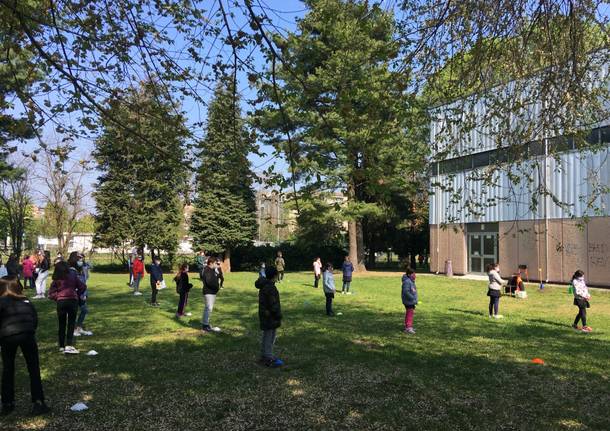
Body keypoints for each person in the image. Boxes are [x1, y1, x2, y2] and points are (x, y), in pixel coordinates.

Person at [0, 277, 49, 416]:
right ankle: (39, 401)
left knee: (8, 369)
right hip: (27, 334)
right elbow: (34, 319)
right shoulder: (26, 301)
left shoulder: (1, 302)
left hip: (7, 336)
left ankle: (7, 403)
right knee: (33, 368)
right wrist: (30, 331)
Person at [48, 261, 85, 354]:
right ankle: (69, 344)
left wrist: (57, 296)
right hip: (73, 301)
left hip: (61, 302)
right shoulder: (73, 276)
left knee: (62, 323)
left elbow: (51, 293)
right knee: (71, 323)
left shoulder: (56, 279)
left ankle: (61, 345)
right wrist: (77, 294)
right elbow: (82, 286)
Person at [255, 266, 284, 368]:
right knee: (270, 337)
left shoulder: (265, 285)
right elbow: (273, 304)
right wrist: (278, 315)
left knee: (267, 336)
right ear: (274, 276)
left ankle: (265, 355)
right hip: (270, 316)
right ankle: (268, 357)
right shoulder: (270, 288)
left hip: (266, 315)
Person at [68, 253, 92, 337]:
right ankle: (73, 329)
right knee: (73, 312)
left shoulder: (82, 268)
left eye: (81, 258)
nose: (80, 260)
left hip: (82, 293)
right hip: (74, 294)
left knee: (84, 310)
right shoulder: (71, 270)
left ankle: (78, 327)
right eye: (79, 259)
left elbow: (84, 281)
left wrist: (84, 294)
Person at [201, 257, 221, 333]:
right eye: (216, 263)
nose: (217, 264)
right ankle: (205, 326)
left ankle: (206, 324)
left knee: (209, 309)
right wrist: (216, 287)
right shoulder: (208, 270)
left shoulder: (211, 270)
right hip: (209, 292)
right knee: (208, 308)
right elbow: (209, 281)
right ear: (211, 263)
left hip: (211, 292)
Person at [401, 267, 418, 334]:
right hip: (408, 301)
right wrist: (412, 298)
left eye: (414, 274)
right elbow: (406, 292)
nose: (414, 276)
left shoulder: (411, 281)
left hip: (411, 301)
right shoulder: (407, 282)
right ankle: (408, 328)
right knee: (409, 314)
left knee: (410, 313)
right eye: (413, 274)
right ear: (409, 274)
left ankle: (408, 326)